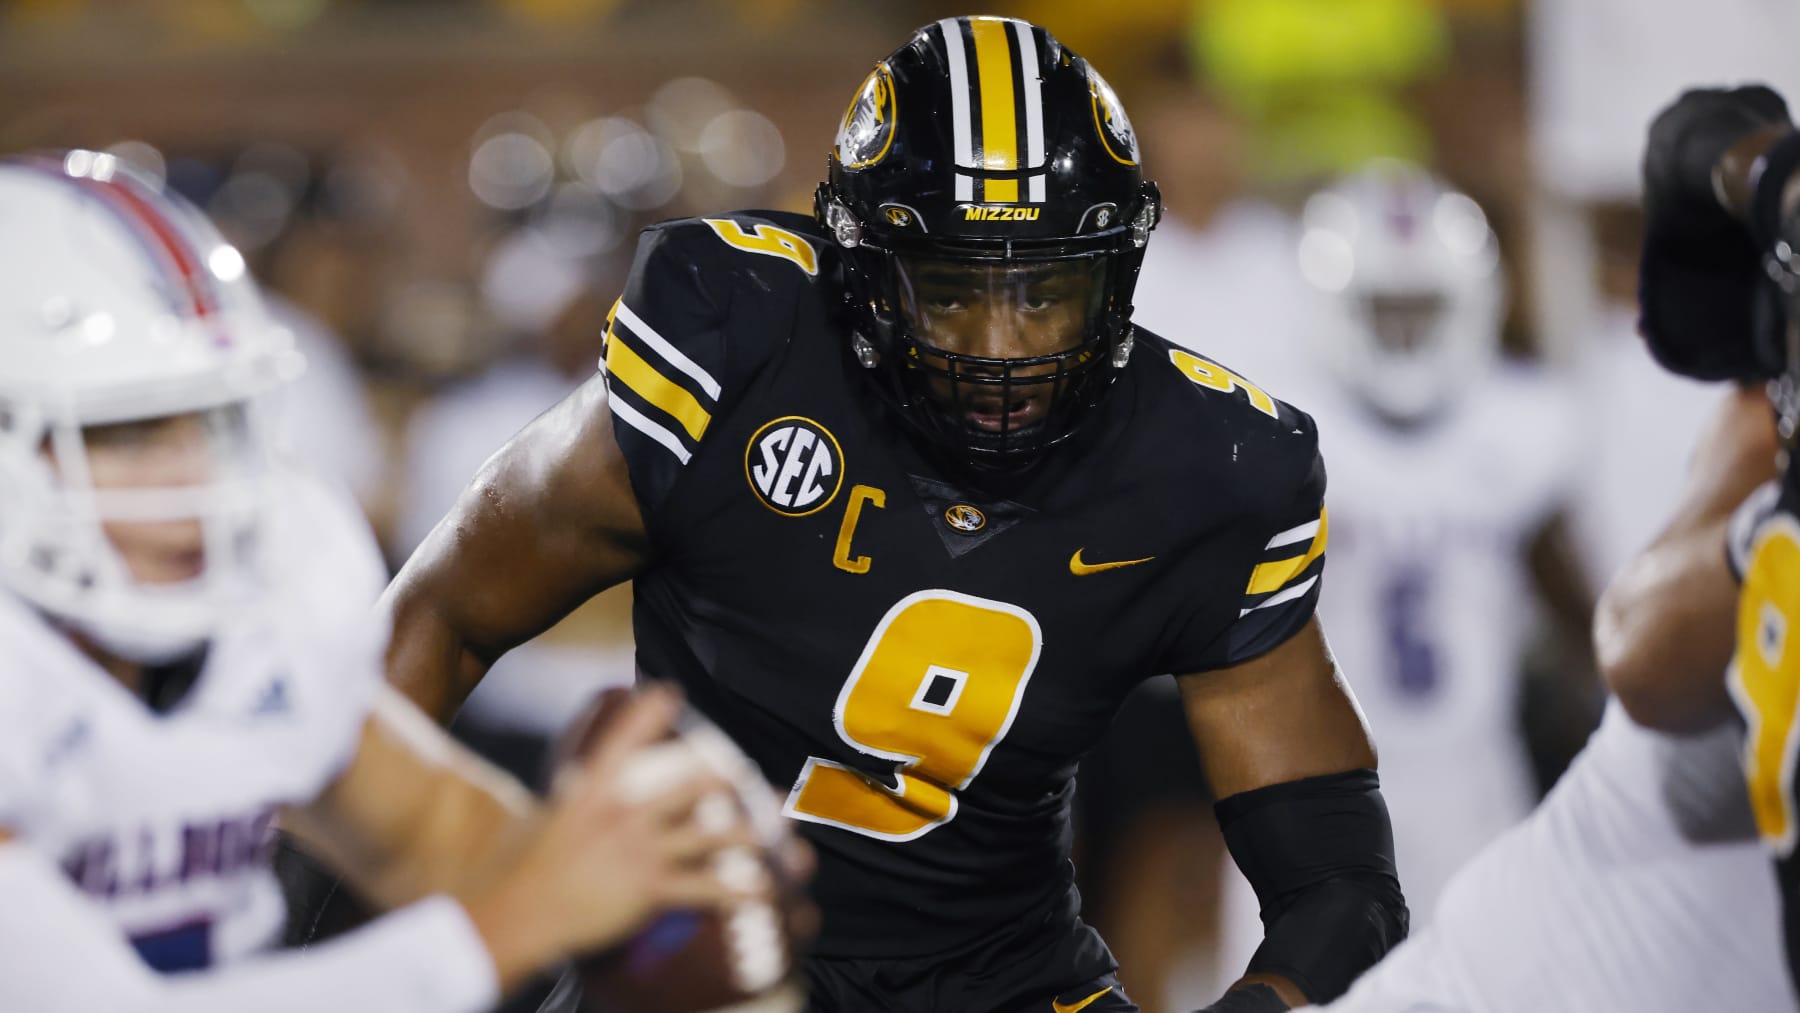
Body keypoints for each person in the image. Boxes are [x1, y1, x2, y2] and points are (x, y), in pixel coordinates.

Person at [384, 17, 1407, 1013]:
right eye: (954, 289)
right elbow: (438, 617)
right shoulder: (740, 353)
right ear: (864, 272)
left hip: (1008, 979)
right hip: (699, 958)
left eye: (1045, 288)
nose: (1003, 345)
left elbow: (1337, 875)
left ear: (1117, 275)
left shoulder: (1209, 465)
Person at [0, 151, 769, 1011]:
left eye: (210, 420)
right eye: (126, 431)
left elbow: (433, 834)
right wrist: (517, 920)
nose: (196, 475)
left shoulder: (240, 620)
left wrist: (652, 886)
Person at [1297, 84, 1800, 1012]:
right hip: (1320, 787)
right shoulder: (1283, 435)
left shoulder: (1522, 430)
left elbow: (1597, 628)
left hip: (1474, 778)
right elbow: (1631, 644)